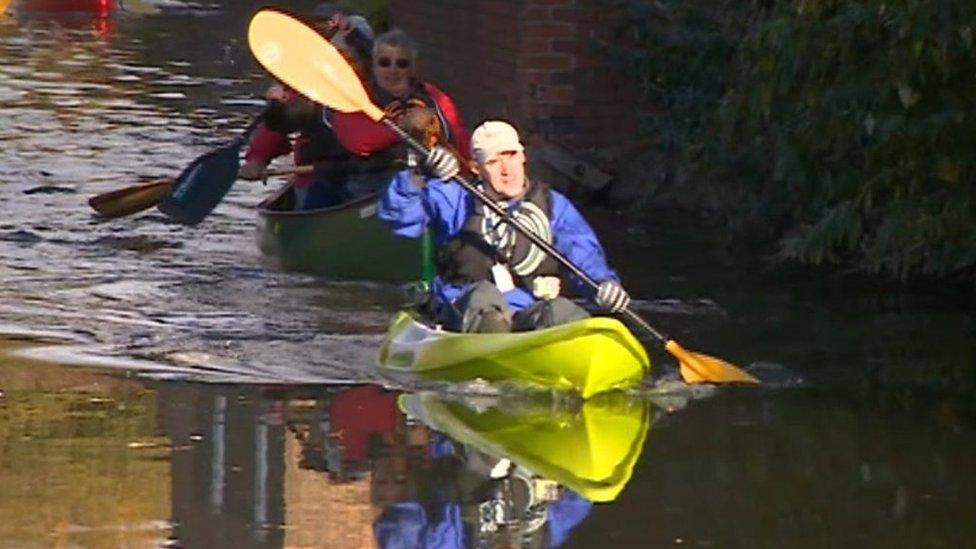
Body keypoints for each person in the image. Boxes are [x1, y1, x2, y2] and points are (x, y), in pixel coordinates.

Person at [378, 120, 631, 333]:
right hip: (464, 308)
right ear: (476, 168)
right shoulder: (453, 197)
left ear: (523, 156)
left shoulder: (555, 207)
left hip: (528, 310)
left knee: (563, 311)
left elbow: (584, 255)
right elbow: (400, 218)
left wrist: (604, 285)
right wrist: (419, 175)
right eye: (493, 161)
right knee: (484, 298)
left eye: (511, 156)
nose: (506, 169)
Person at [239, 3, 377, 210]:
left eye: (350, 58)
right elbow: (277, 126)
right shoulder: (308, 90)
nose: (345, 65)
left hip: (370, 176)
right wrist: (257, 159)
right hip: (316, 174)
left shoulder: (383, 89)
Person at [330, 28, 471, 199]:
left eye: (401, 63)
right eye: (384, 62)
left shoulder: (434, 97)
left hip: (431, 180)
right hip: (372, 187)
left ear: (412, 69)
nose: (392, 70)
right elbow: (357, 140)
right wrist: (402, 124)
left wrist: (470, 168)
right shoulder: (359, 97)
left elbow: (459, 137)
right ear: (374, 66)